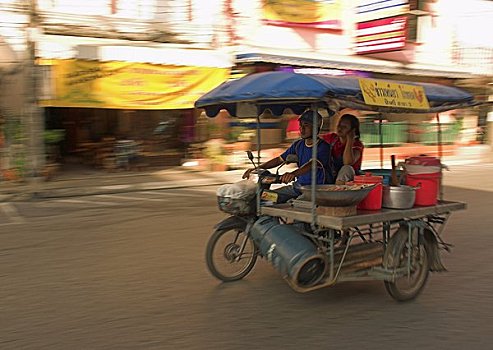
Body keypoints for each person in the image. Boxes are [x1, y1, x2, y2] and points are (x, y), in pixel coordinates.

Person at [242, 110, 333, 203]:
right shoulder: (298, 145)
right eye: (301, 125)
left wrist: (293, 174)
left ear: (316, 127)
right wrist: (258, 168)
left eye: (306, 125)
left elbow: (312, 164)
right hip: (298, 187)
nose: (302, 128)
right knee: (266, 197)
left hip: (315, 190)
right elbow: (279, 159)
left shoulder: (323, 147)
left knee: (294, 205)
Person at [321, 113, 364, 184]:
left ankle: (337, 191)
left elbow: (347, 162)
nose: (340, 128)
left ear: (353, 130)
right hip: (332, 174)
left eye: (344, 127)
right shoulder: (332, 138)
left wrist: (350, 140)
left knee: (347, 168)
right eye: (339, 125)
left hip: (349, 180)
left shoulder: (357, 145)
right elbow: (316, 140)